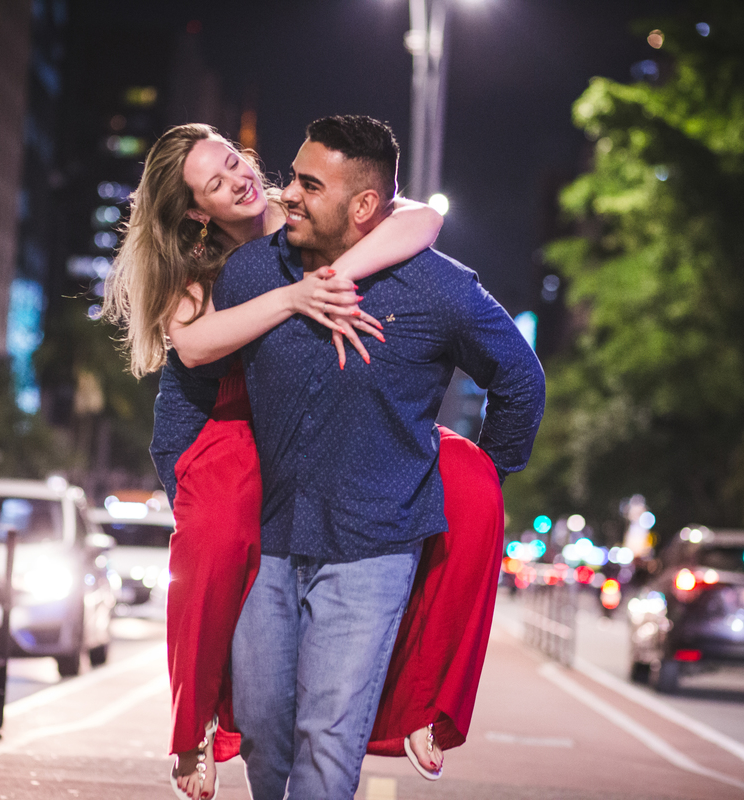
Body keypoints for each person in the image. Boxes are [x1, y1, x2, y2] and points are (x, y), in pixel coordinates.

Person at [102, 123, 514, 800]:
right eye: (216, 181)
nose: (240, 177)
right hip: (228, 422)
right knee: (212, 542)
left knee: (469, 487)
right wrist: (295, 296)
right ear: (198, 210)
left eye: (234, 160)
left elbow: (426, 216)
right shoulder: (200, 261)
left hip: (322, 420)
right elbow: (198, 350)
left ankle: (422, 702)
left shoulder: (297, 210)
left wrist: (335, 274)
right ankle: (196, 724)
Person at [202, 115, 545, 799]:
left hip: (374, 551)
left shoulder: (438, 289)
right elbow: (205, 390)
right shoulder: (250, 275)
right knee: (266, 741)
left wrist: (477, 480)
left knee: (328, 745)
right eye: (292, 177)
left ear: (364, 205)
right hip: (264, 546)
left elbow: (521, 381)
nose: (287, 195)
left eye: (308, 185)